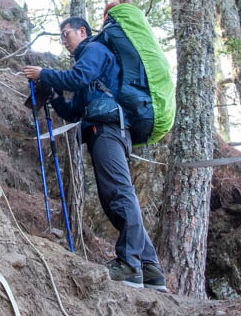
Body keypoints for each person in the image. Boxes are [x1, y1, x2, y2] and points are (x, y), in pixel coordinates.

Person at [22, 17, 167, 291]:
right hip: (101, 128)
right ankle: (151, 269)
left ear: (82, 31)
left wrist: (43, 73)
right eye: (61, 35)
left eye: (66, 33)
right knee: (114, 194)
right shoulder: (86, 63)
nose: (64, 39)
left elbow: (77, 78)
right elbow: (74, 112)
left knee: (118, 193)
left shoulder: (95, 50)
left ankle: (129, 265)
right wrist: (54, 98)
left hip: (109, 128)